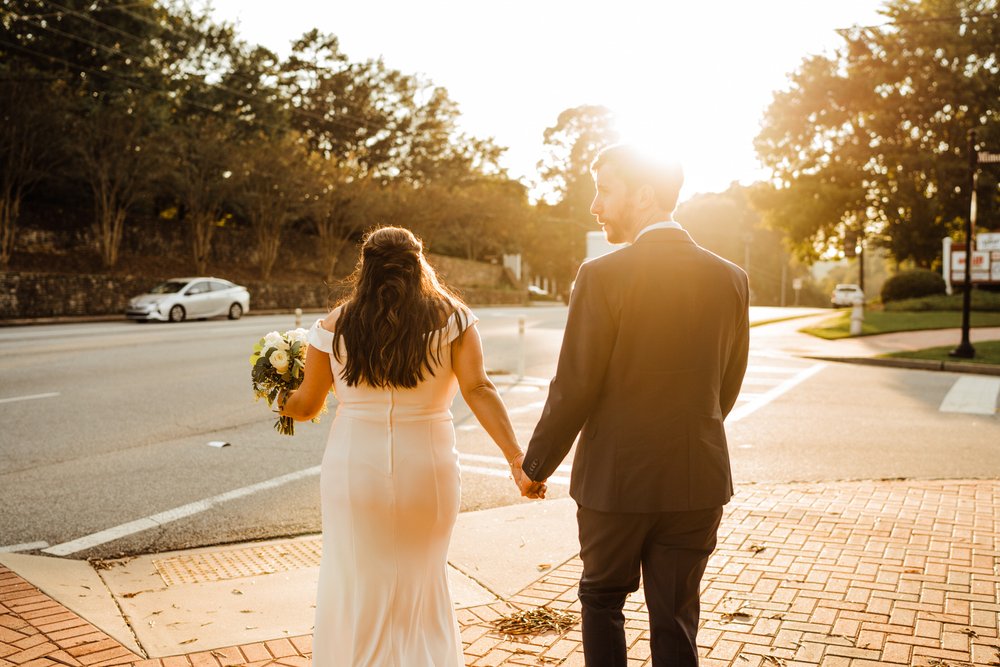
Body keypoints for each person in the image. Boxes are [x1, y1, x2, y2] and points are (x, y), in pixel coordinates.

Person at [521, 144, 750, 666]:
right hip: (697, 480)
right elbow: (726, 388)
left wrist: (536, 466)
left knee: (601, 599)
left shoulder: (601, 276)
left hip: (615, 484)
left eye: (604, 190)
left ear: (644, 195)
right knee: (674, 616)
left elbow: (574, 386)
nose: (595, 206)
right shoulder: (730, 278)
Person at [280, 226, 544, 666]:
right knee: (422, 580)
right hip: (428, 468)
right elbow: (479, 388)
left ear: (364, 268)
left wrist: (276, 394)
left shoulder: (332, 325)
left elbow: (305, 407)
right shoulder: (453, 318)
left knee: (354, 579)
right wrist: (516, 458)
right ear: (420, 263)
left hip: (354, 470)